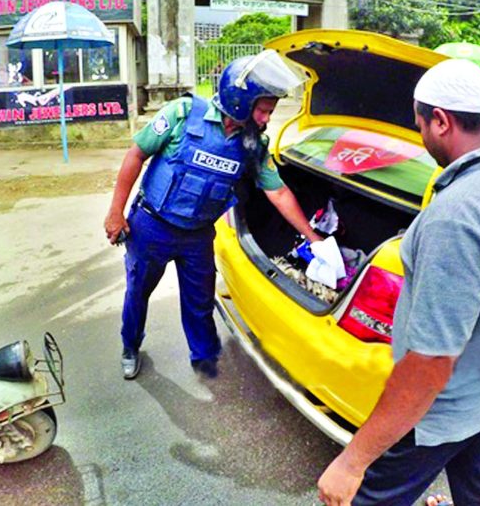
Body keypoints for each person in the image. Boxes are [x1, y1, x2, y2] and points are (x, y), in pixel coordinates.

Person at [317, 59, 480, 506]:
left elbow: (430, 363)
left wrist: (352, 460)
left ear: (441, 122)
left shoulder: (456, 216)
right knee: (477, 488)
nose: (421, 136)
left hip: (440, 411)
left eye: (421, 124)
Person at [104, 51, 322, 380]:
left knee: (200, 300)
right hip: (151, 227)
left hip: (197, 235)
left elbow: (277, 191)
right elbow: (136, 154)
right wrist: (115, 213)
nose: (265, 120)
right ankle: (130, 345)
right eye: (262, 111)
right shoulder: (183, 113)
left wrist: (312, 236)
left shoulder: (253, 145)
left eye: (270, 112)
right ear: (240, 102)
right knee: (138, 294)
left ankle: (205, 359)